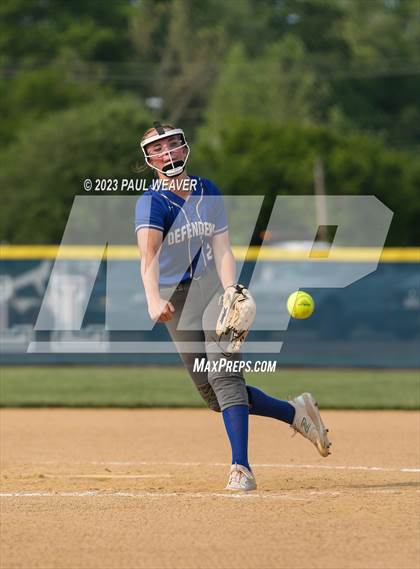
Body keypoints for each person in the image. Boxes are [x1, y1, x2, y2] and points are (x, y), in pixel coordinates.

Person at [135, 122, 331, 491]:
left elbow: (222, 248)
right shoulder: (152, 202)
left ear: (184, 147)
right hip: (175, 298)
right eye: (158, 149)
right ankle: (296, 413)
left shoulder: (207, 190)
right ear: (149, 160)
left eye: (173, 144)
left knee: (225, 376)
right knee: (212, 396)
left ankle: (240, 467)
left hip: (212, 288)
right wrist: (152, 300)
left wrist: (231, 291)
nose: (168, 153)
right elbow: (149, 257)